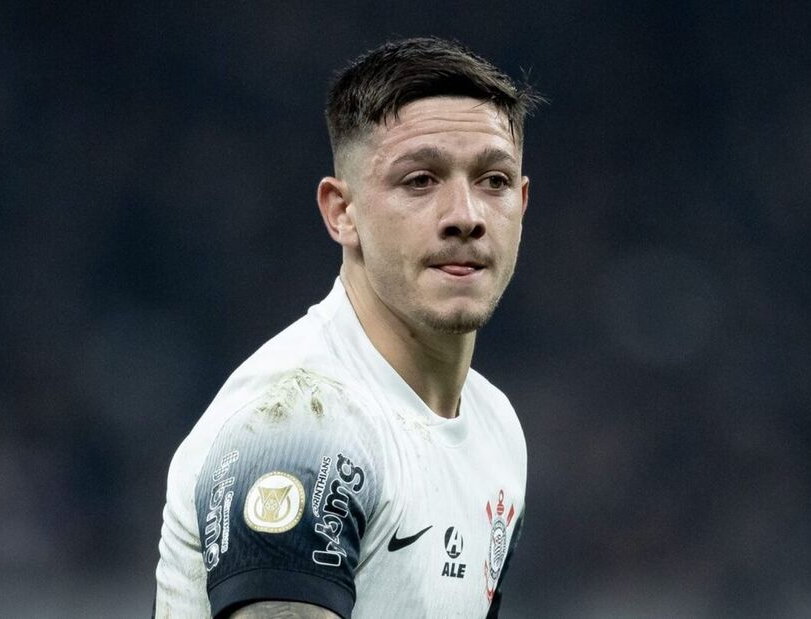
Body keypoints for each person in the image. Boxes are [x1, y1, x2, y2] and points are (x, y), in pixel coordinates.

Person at [154, 37, 543, 618]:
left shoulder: (497, 428)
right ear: (342, 212)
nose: (466, 216)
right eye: (420, 180)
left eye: (494, 180)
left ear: (523, 201)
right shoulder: (296, 423)